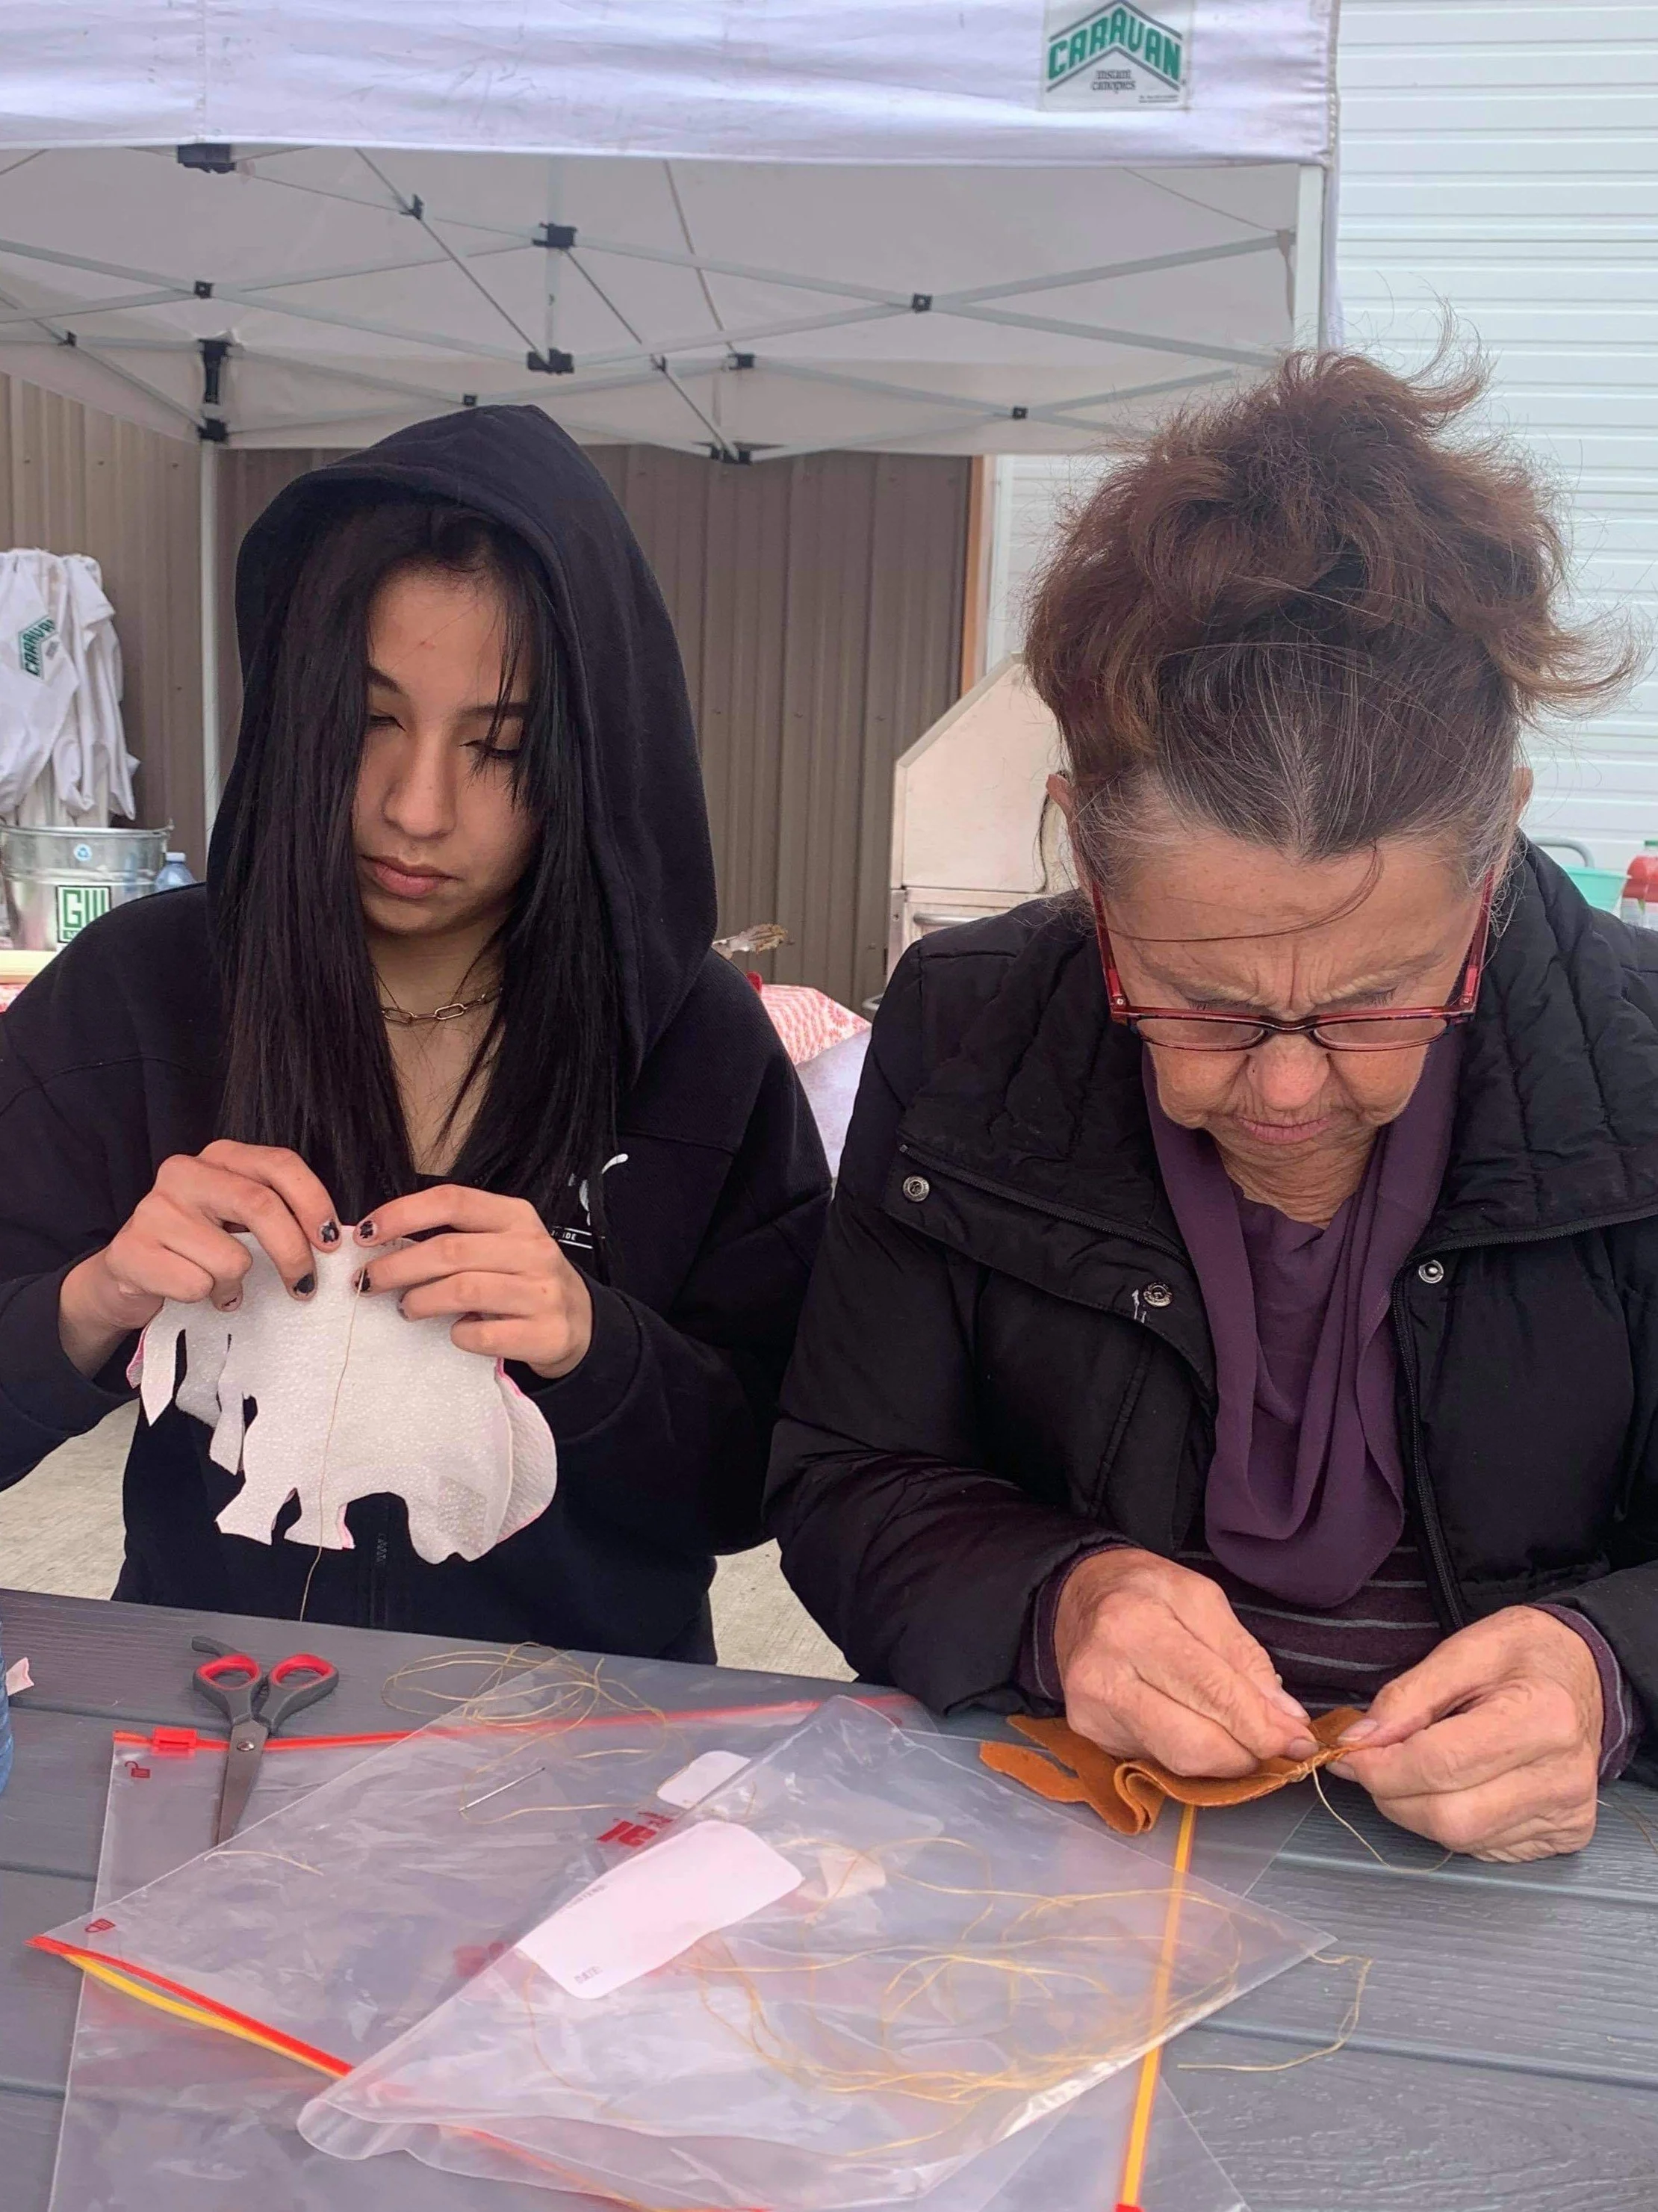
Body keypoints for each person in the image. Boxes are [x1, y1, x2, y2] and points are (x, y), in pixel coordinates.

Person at [769, 351, 1658, 1863]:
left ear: (1497, 853)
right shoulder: (976, 1028)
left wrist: (1609, 1666)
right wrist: (1058, 1597)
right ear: (1088, 869)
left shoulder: (1637, 1071)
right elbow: (847, 1477)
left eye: (1379, 997)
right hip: (1064, 1856)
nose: (1293, 1086)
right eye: (1206, 1003)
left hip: (1539, 1901)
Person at [0, 405, 828, 1659]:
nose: (416, 808)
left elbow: (770, 1478)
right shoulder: (143, 992)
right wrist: (92, 1300)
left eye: (499, 747)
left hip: (580, 1741)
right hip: (214, 1708)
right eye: (372, 720)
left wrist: (596, 1345)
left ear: (592, 757)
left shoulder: (692, 1041)